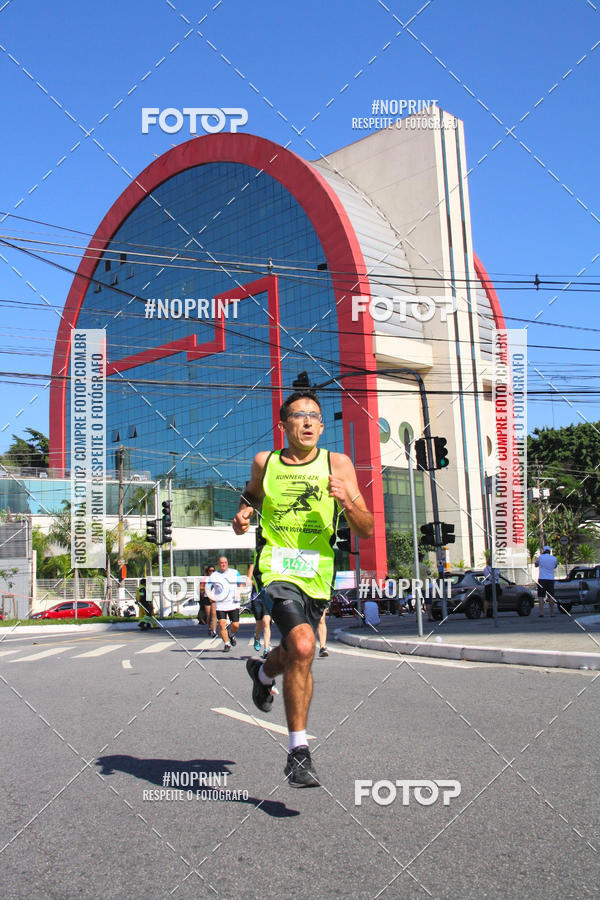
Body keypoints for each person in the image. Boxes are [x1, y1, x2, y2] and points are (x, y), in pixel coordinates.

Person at [233, 391, 373, 787]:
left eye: (315, 416)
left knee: (299, 648)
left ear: (322, 426)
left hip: (317, 573)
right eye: (299, 415)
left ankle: (262, 674)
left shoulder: (338, 464)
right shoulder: (267, 461)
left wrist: (347, 501)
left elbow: (367, 527)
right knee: (305, 645)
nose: (308, 422)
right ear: (284, 425)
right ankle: (298, 752)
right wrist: (242, 516)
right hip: (275, 565)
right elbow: (251, 494)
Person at [206, 556, 242, 651]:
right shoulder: (213, 576)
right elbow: (208, 588)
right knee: (222, 624)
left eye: (225, 562)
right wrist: (211, 597)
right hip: (220, 604)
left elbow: (241, 583)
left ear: (227, 563)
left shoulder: (234, 573)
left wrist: (239, 591)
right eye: (221, 563)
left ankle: (231, 634)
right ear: (218, 564)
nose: (223, 564)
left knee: (235, 625)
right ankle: (227, 644)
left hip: (233, 603)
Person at [247, 563, 272, 658]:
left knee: (266, 622)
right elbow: (249, 581)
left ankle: (266, 648)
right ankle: (257, 637)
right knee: (259, 623)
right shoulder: (253, 565)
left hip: (268, 598)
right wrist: (260, 582)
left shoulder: (270, 563)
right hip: (256, 598)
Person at [534, 545, 558, 617]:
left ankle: (541, 613)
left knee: (541, 596)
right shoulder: (554, 558)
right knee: (551, 596)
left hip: (542, 579)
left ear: (544, 551)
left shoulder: (540, 557)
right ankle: (552, 613)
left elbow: (536, 564)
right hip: (551, 579)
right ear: (550, 551)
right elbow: (555, 566)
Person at [199, 564, 217, 635]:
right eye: (210, 571)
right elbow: (201, 587)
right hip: (206, 597)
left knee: (214, 614)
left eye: (213, 570)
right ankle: (210, 627)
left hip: (214, 598)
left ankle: (214, 630)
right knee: (209, 615)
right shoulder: (205, 578)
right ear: (208, 571)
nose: (212, 572)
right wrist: (203, 592)